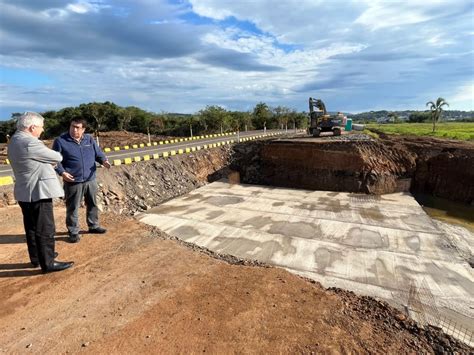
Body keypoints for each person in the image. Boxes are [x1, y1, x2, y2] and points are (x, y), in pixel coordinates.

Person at [7, 112, 74, 273]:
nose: (42, 130)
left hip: (25, 191)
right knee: (45, 228)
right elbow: (56, 156)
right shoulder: (30, 142)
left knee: (31, 227)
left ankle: (38, 257)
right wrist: (48, 159)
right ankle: (48, 263)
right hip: (38, 191)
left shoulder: (15, 140)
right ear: (32, 127)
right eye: (41, 127)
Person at [52, 118, 111, 243]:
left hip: (90, 179)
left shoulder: (89, 139)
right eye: (72, 126)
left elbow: (98, 153)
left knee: (93, 204)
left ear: (83, 129)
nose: (74, 129)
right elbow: (55, 161)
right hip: (73, 181)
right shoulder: (60, 141)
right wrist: (62, 173)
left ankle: (93, 226)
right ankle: (73, 231)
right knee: (73, 207)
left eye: (78, 127)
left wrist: (104, 161)